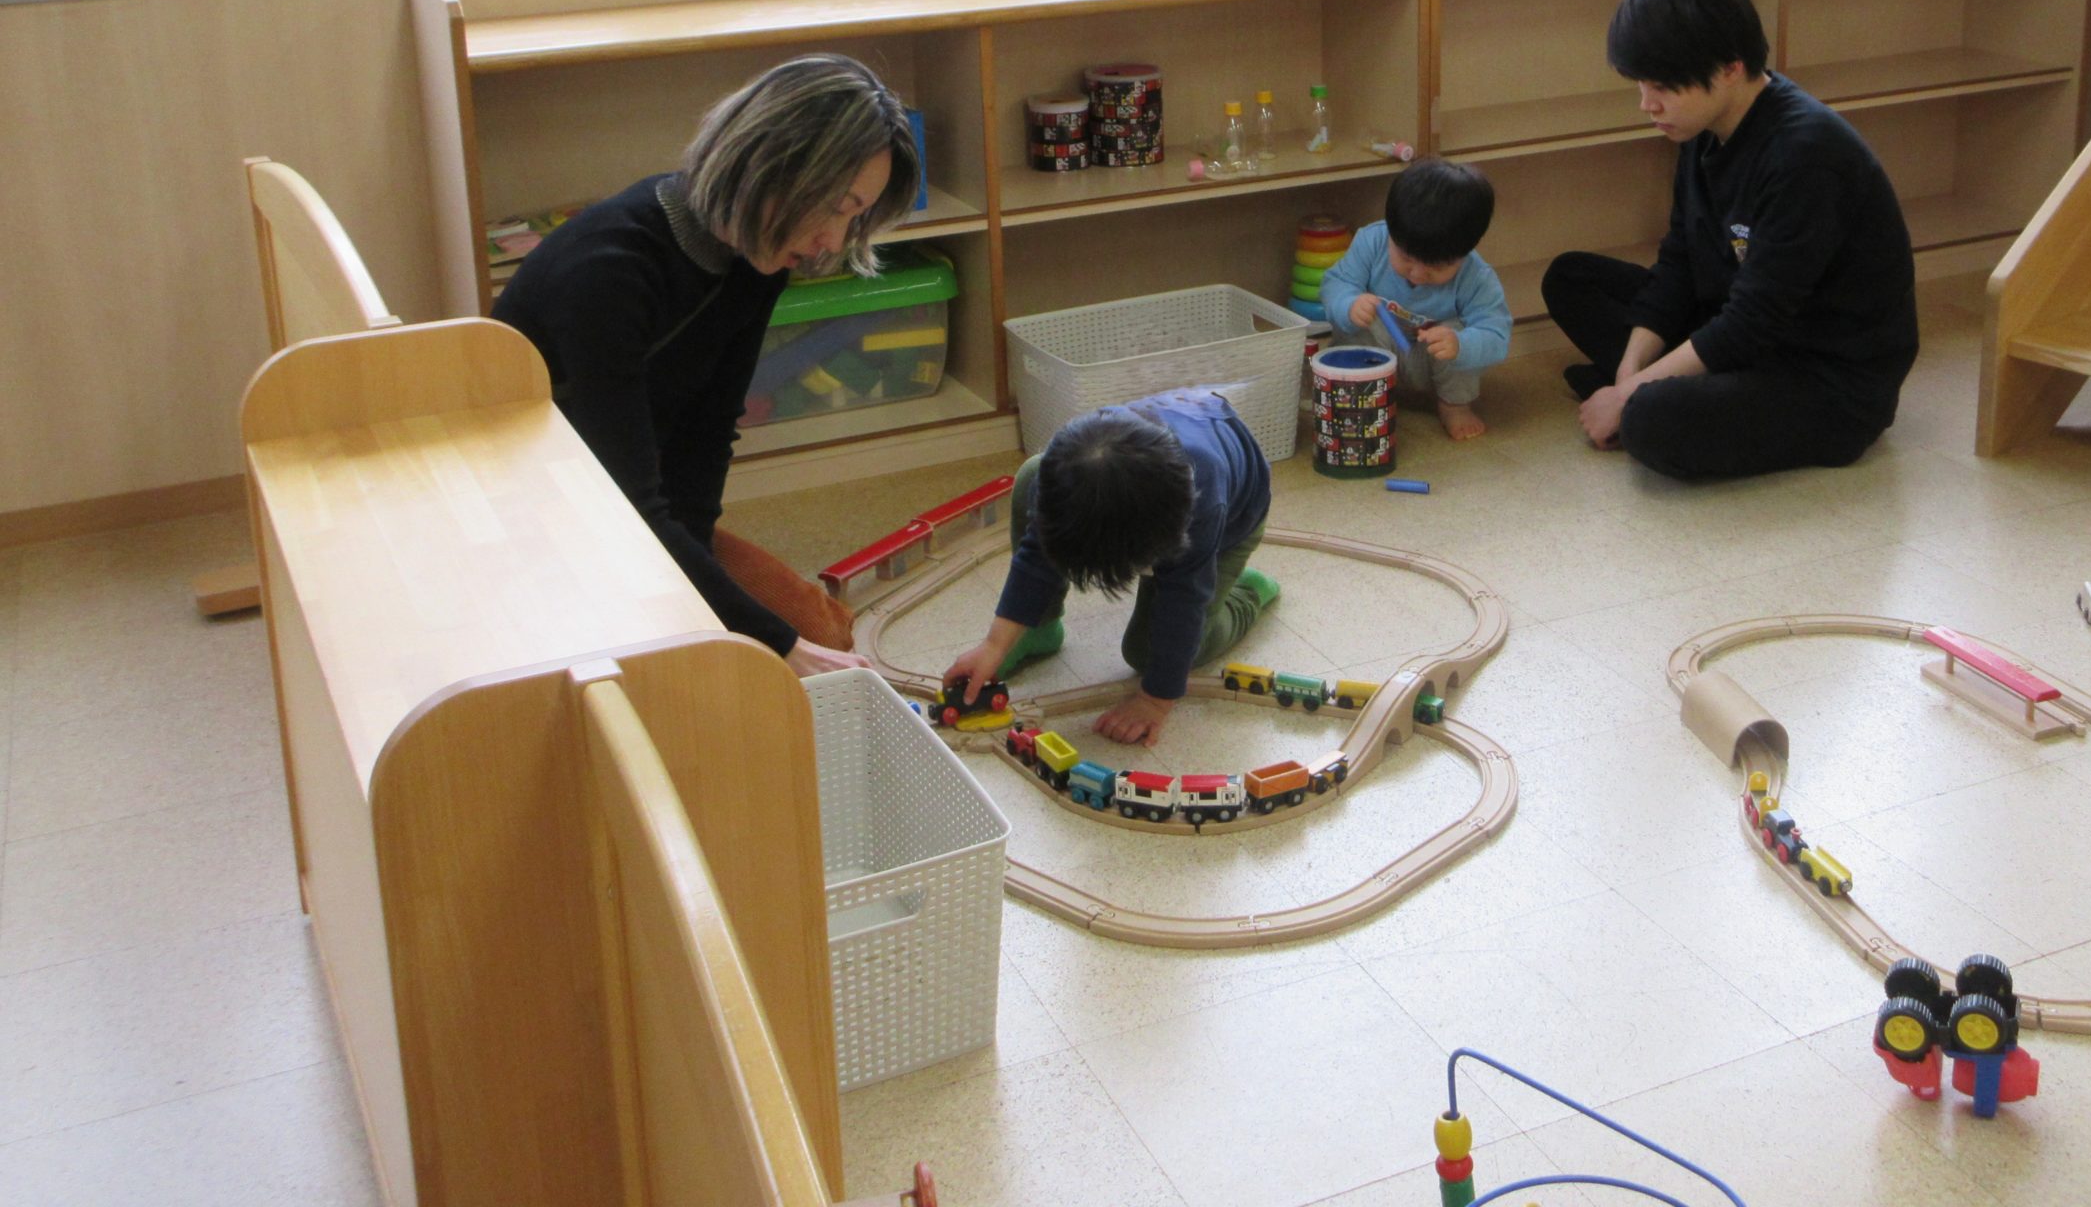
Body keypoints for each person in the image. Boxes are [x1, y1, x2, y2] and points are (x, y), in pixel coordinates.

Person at [494, 54, 919, 676]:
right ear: (774, 162)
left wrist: (706, 604)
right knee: (779, 651)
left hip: (630, 511)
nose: (833, 240)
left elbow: (706, 437)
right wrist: (773, 645)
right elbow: (625, 502)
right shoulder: (608, 271)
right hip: (544, 521)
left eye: (854, 218)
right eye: (836, 206)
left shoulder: (757, 256)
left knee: (817, 632)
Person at [1541, 0, 1917, 481]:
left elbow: (1754, 321)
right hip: (1736, 326)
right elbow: (1679, 261)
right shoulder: (1702, 127)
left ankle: (1660, 399)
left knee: (1653, 422)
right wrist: (1630, 373)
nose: (1647, 105)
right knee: (1571, 278)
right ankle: (1661, 388)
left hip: (1824, 377)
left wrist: (1630, 397)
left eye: (1663, 87)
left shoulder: (1806, 155)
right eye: (1641, 85)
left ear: (1729, 68)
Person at [942, 389, 1276, 747]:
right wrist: (995, 644)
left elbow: (1184, 602)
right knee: (1030, 475)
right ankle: (1038, 629)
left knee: (1147, 654)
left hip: (1230, 525)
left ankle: (1246, 592)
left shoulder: (1204, 496)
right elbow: (1037, 553)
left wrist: (1156, 700)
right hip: (1162, 482)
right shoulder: (1061, 466)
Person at [1319, 158, 1513, 439]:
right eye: (1406, 258)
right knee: (1361, 321)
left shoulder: (1476, 276)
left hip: (1430, 363)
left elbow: (1496, 334)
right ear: (1392, 231)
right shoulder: (1372, 241)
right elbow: (1336, 283)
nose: (1418, 274)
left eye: (1437, 267)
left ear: (1465, 252)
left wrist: (1461, 344)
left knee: (1457, 332)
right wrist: (1348, 304)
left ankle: (1454, 406)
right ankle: (1360, 395)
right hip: (1377, 351)